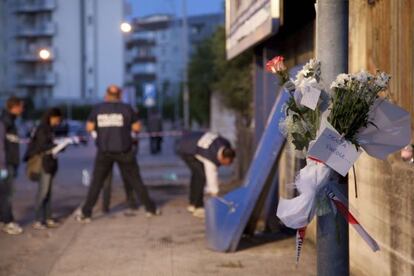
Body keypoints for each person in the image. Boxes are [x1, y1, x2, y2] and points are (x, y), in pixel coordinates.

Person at [75, 85, 160, 222]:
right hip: (124, 151)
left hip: (104, 151)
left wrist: (101, 131)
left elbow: (89, 127)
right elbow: (137, 127)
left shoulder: (98, 109)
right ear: (119, 95)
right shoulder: (126, 108)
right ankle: (150, 209)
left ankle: (86, 213)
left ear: (106, 95)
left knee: (96, 183)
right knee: (136, 181)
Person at [176, 131, 235, 218]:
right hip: (187, 149)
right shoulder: (210, 156)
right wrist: (215, 195)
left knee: (197, 174)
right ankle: (198, 206)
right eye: (226, 163)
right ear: (222, 157)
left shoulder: (226, 144)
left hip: (195, 142)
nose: (226, 165)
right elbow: (211, 176)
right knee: (201, 175)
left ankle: (192, 203)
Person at [24, 108, 65, 229]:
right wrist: (57, 145)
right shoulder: (43, 128)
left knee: (48, 193)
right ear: (51, 117)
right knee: (43, 192)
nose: (58, 122)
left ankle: (48, 218)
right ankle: (38, 220)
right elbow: (42, 146)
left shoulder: (50, 129)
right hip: (43, 164)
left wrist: (60, 145)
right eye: (57, 119)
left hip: (50, 163)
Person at [0, 96, 24, 235]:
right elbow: (1, 145)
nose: (22, 109)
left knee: (3, 193)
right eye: (21, 106)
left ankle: (3, 219)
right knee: (7, 194)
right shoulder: (5, 121)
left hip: (10, 163)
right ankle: (8, 222)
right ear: (14, 107)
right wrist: (2, 166)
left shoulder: (12, 121)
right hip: (6, 163)